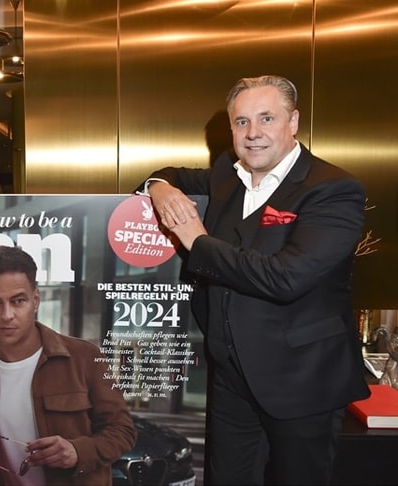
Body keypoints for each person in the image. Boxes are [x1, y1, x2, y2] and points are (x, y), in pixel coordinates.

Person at [140, 75, 369, 485]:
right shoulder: (226, 176)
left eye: (266, 118)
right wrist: (160, 189)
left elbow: (285, 277)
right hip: (231, 382)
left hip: (302, 382)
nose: (253, 133)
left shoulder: (333, 189)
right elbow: (163, 175)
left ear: (293, 121)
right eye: (242, 121)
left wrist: (196, 240)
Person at [0, 245, 136, 485]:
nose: (7, 315)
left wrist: (78, 451)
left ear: (35, 300)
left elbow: (123, 430)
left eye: (18, 301)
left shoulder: (84, 357)